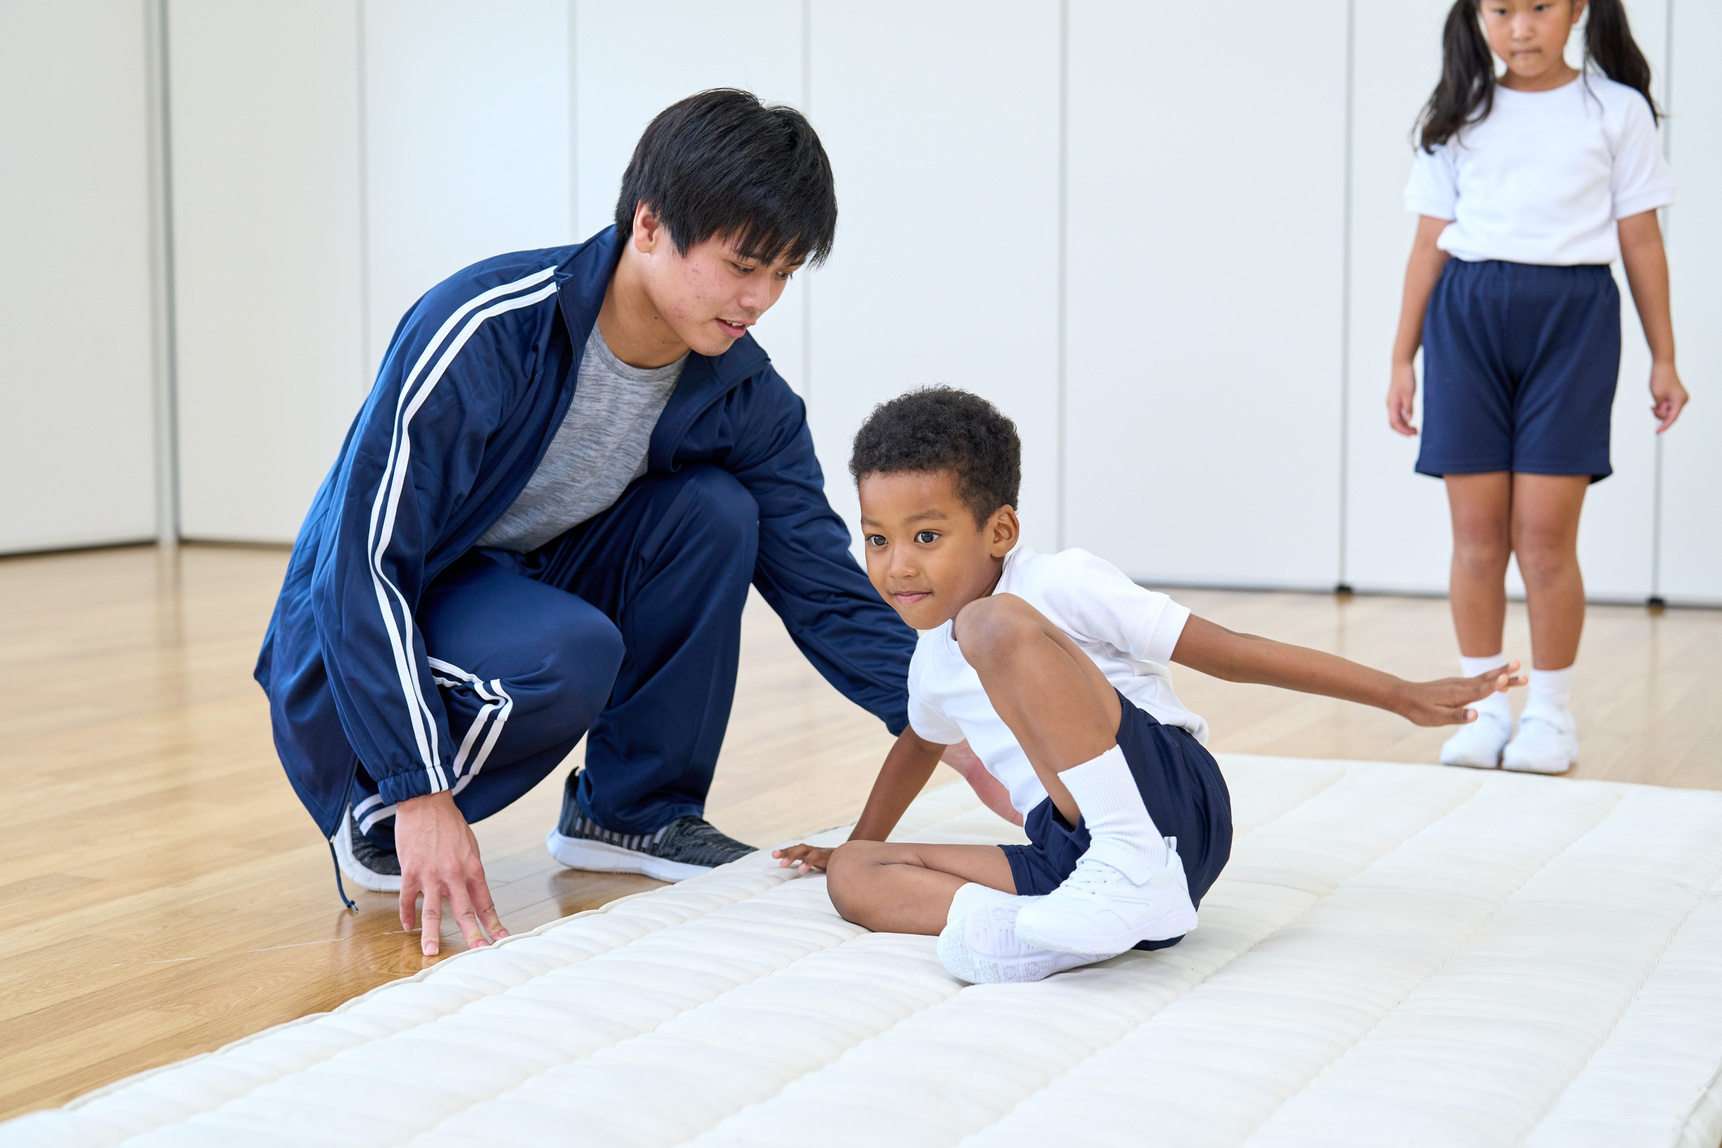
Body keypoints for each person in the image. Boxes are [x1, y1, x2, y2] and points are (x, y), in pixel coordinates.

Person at [255, 89, 996, 959]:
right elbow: (362, 560)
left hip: (515, 587)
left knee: (718, 511)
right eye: (742, 264)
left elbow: (823, 587)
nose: (760, 297)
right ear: (649, 225)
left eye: (783, 274)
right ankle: (375, 811)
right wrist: (416, 789)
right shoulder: (487, 330)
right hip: (369, 637)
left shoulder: (741, 392)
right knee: (567, 650)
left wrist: (957, 724)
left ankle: (631, 813)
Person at [771, 388, 1523, 984]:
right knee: (858, 878)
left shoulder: (1051, 584)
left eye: (925, 536)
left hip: (1168, 804)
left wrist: (1400, 694)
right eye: (877, 538)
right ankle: (1054, 933)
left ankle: (1131, 873)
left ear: (1000, 531)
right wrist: (856, 844)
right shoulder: (930, 660)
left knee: (990, 627)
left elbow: (1227, 652)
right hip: (1073, 853)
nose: (897, 565)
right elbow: (917, 745)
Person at [1386, 0, 1688, 773]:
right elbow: (1427, 244)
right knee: (1478, 537)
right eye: (1501, 9)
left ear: (1578, 10)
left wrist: (1664, 356)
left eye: (1541, 8)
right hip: (1467, 322)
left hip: (1574, 320)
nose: (1520, 28)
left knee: (1545, 541)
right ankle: (1483, 707)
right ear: (1478, 15)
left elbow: (1641, 239)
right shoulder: (1459, 111)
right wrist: (1402, 358)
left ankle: (1551, 714)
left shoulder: (1616, 111)